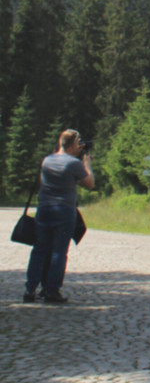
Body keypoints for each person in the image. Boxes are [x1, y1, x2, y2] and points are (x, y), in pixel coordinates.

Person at [23, 129, 95, 304]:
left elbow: (44, 181)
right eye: (78, 143)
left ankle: (30, 290)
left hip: (44, 209)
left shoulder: (47, 160)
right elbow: (90, 184)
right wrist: (87, 164)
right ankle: (52, 291)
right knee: (58, 252)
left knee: (39, 250)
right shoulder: (73, 164)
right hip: (64, 210)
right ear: (72, 144)